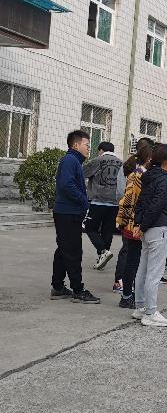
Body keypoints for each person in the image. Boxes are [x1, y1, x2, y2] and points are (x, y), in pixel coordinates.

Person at [131, 144, 167, 326]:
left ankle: (140, 307)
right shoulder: (164, 181)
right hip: (160, 229)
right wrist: (142, 226)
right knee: (154, 273)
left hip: (149, 230)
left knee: (143, 270)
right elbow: (156, 206)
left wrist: (139, 224)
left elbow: (141, 203)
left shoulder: (149, 177)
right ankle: (150, 312)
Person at [50, 130, 99, 303]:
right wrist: (83, 201)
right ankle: (78, 290)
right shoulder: (70, 160)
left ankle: (57, 287)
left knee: (64, 250)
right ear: (76, 145)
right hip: (67, 213)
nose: (89, 148)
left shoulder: (74, 161)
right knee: (73, 252)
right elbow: (66, 185)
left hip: (68, 212)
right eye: (87, 145)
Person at [113, 136, 155, 294]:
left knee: (132, 254)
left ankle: (128, 285)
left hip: (134, 219)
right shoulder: (138, 174)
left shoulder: (141, 171)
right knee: (130, 253)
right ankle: (122, 284)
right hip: (133, 221)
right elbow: (126, 196)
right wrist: (124, 219)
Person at [83, 141, 122, 271]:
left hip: (98, 201)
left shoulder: (98, 160)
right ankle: (102, 257)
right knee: (107, 231)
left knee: (90, 228)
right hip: (115, 203)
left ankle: (103, 251)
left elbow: (83, 173)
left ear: (100, 150)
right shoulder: (121, 163)